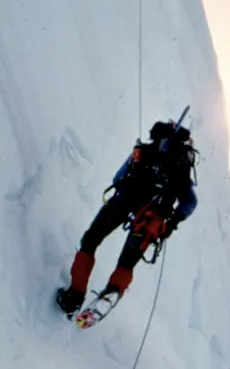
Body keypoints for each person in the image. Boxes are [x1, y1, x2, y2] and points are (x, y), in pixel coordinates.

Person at [56, 120, 198, 316]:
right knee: (127, 263)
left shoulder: (144, 151)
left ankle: (74, 296)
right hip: (151, 221)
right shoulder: (182, 169)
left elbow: (118, 177)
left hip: (122, 203)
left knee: (91, 240)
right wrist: (171, 224)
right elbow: (190, 202)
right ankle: (112, 292)